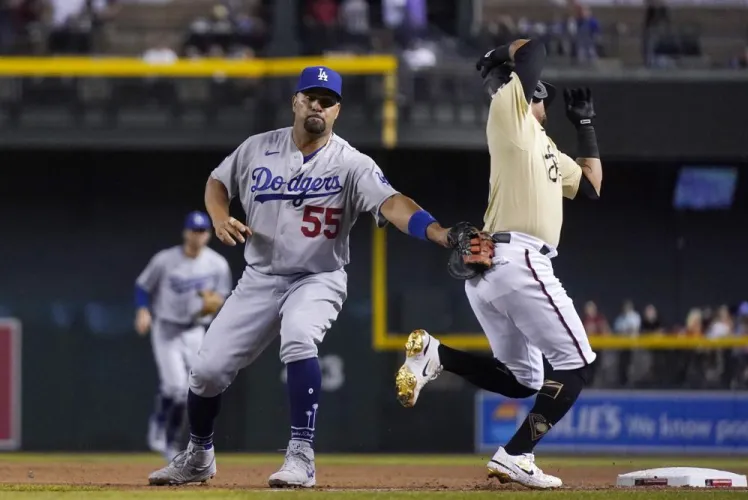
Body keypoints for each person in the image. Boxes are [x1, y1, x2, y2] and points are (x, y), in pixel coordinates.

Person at [147, 66, 486, 488]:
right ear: (295, 102)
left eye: (327, 102)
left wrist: (438, 231)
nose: (317, 107)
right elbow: (218, 181)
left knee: (298, 338)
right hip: (260, 277)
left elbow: (394, 203)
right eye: (310, 98)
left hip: (318, 276)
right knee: (207, 371)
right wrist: (218, 217)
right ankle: (199, 455)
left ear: (336, 111)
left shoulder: (351, 163)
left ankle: (301, 455)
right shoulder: (258, 148)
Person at [395, 38, 603, 489]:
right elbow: (537, 50)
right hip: (519, 258)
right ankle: (517, 453)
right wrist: (501, 56)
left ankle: (438, 355)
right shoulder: (511, 115)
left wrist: (584, 125)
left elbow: (590, 186)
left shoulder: (546, 149)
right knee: (578, 365)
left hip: (493, 271)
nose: (538, 93)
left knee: (525, 379)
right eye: (536, 89)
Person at [135, 211, 232, 462]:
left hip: (195, 330)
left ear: (208, 235)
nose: (197, 236)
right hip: (166, 329)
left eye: (202, 231)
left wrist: (214, 304)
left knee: (192, 386)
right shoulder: (165, 260)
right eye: (193, 230)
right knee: (177, 387)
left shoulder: (217, 264)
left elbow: (222, 294)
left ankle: (166, 426)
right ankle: (168, 440)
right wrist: (143, 310)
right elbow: (143, 286)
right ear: (185, 232)